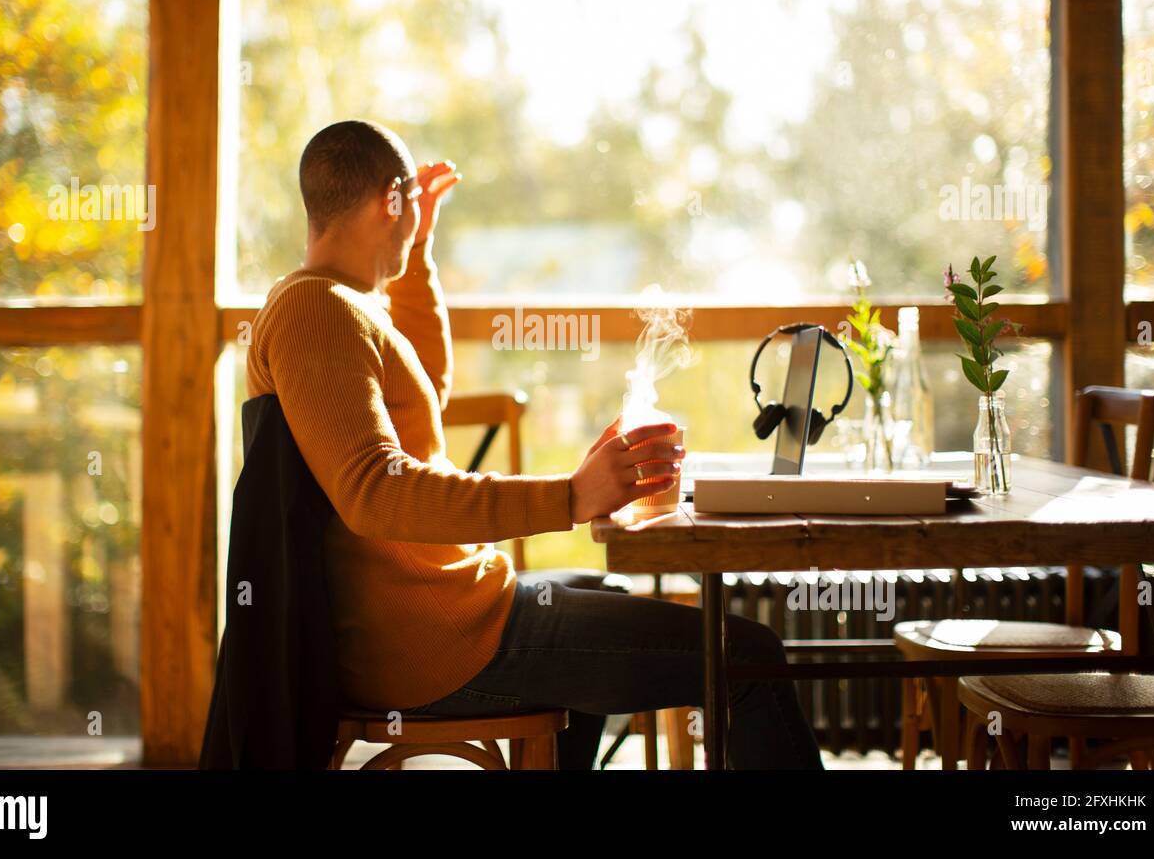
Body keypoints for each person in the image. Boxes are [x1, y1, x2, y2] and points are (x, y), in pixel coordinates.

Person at [245, 119, 822, 769]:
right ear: (391, 201)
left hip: (445, 622)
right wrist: (572, 495)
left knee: (608, 594)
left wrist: (420, 250)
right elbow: (374, 493)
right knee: (748, 657)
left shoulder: (338, 307)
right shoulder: (316, 310)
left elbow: (422, 396)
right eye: (408, 213)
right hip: (431, 645)